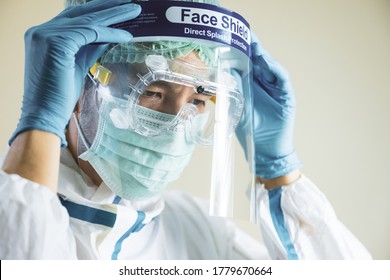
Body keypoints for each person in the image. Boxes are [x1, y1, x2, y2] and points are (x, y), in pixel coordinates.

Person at [0, 0, 371, 260]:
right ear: (80, 88)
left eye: (199, 99)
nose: (176, 126)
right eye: (154, 91)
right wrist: (40, 124)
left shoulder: (195, 229)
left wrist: (279, 171)